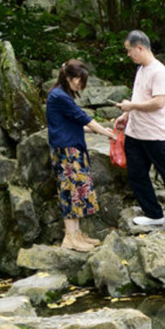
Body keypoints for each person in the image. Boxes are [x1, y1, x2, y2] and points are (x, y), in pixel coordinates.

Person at [114, 29, 165, 230]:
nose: (128, 54)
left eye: (129, 50)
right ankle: (153, 214)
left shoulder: (159, 72)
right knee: (136, 175)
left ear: (140, 47)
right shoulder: (141, 70)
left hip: (156, 134)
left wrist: (131, 106)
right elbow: (138, 97)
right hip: (135, 133)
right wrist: (125, 115)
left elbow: (158, 102)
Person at [46, 59, 116, 252]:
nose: (80, 84)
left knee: (77, 191)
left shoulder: (61, 95)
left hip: (71, 148)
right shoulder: (59, 96)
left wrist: (99, 131)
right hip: (66, 150)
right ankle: (69, 237)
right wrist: (108, 133)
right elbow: (85, 119)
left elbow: (73, 124)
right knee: (70, 191)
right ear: (68, 77)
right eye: (78, 79)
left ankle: (76, 234)